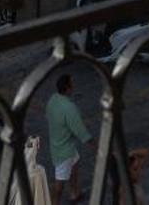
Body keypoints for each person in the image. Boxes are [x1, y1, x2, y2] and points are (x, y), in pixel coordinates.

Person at [45, 71, 92, 204]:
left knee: (75, 165)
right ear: (67, 87)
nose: (73, 86)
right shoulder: (69, 108)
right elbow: (82, 133)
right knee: (60, 182)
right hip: (64, 150)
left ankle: (74, 194)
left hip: (61, 144)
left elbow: (49, 116)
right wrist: (97, 146)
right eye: (72, 84)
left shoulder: (53, 99)